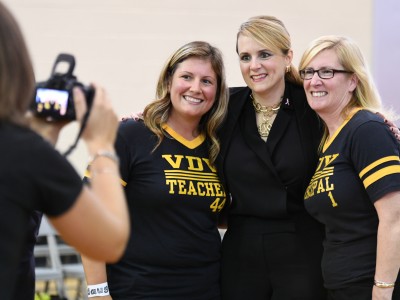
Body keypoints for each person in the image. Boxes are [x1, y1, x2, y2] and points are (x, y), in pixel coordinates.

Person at [0, 2, 130, 299]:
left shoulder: (27, 154)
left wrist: (43, 137)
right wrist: (101, 145)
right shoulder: (24, 154)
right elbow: (107, 241)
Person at [81, 41, 229, 299]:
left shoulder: (219, 145)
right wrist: (97, 292)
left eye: (207, 81)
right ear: (169, 80)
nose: (196, 88)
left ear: (217, 90)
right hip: (139, 289)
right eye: (187, 77)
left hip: (206, 289)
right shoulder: (129, 135)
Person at [216, 16, 327, 300]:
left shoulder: (313, 104)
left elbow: (354, 116)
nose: (254, 66)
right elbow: (179, 112)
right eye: (245, 57)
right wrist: (144, 120)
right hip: (241, 249)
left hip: (302, 246)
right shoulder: (225, 106)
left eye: (264, 54)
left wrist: (381, 121)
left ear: (288, 57)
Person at [299, 35, 400, 300]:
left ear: (353, 80)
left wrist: (383, 289)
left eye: (327, 71)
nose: (314, 81)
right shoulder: (328, 141)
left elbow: (395, 217)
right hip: (342, 285)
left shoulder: (366, 130)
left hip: (370, 286)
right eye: (308, 72)